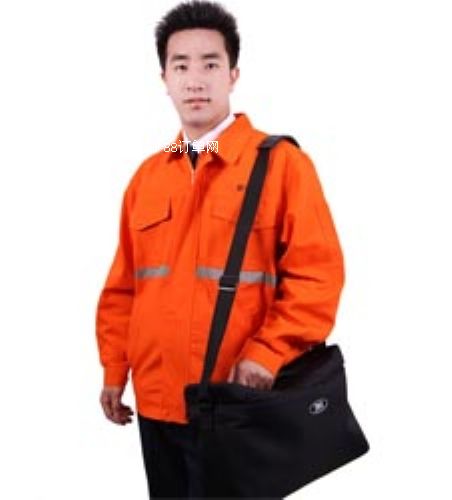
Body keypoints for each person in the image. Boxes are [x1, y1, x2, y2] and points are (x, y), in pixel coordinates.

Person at [95, 1, 345, 498]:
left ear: (233, 75)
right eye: (180, 66)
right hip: (157, 403)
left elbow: (318, 275)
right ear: (164, 79)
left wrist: (268, 354)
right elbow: (124, 286)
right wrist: (114, 368)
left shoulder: (281, 165)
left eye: (210, 64)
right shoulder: (148, 177)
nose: (195, 80)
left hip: (237, 403)